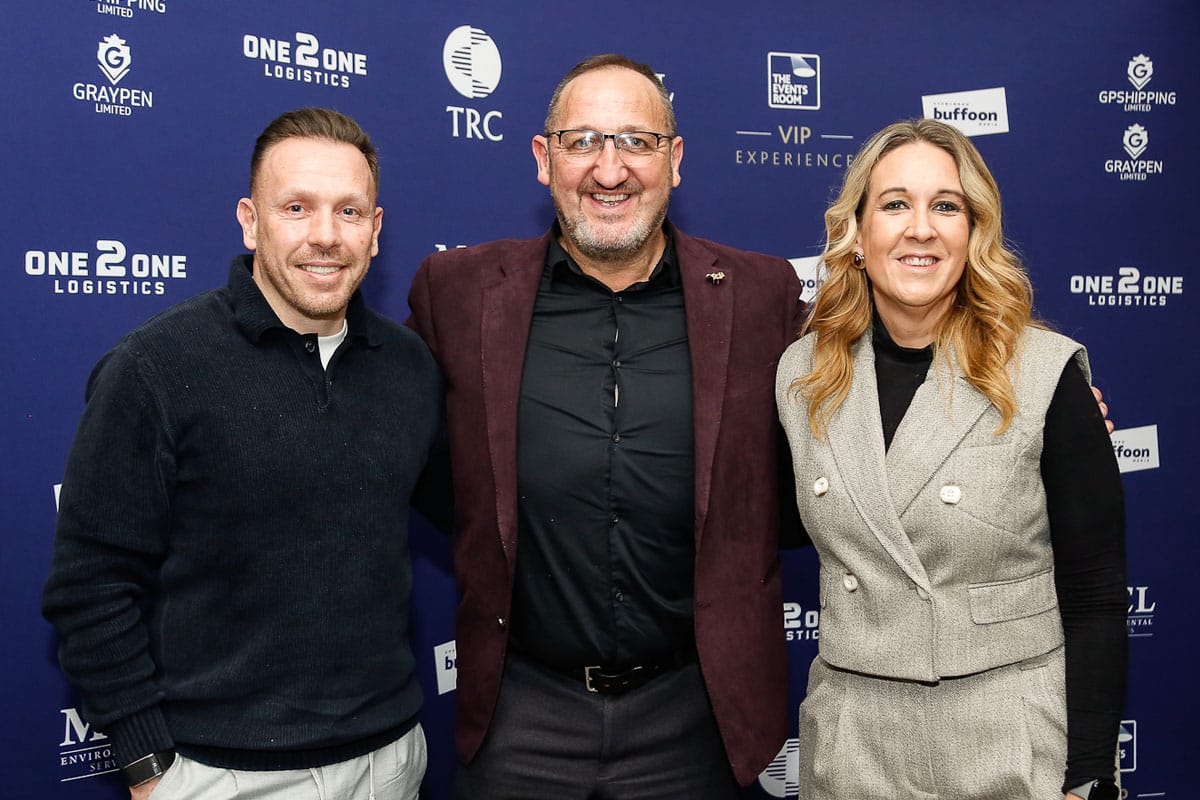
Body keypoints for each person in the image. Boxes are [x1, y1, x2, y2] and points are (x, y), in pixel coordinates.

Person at [407, 54, 804, 798]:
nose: (610, 170)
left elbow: (821, 460)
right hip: (521, 711)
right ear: (543, 158)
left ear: (674, 160)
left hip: (695, 714)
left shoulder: (762, 296)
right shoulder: (456, 294)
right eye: (583, 141)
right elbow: (413, 461)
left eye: (637, 142)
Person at [42, 108, 439, 800]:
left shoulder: (409, 366)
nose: (325, 235)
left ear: (375, 232)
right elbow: (90, 585)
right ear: (251, 222)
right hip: (224, 775)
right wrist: (147, 767)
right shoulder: (155, 367)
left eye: (349, 211)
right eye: (296, 207)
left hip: (391, 760)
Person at [775, 118, 1127, 800]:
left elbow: (1096, 598)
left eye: (945, 206)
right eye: (895, 204)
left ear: (974, 232)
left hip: (1010, 742)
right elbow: (774, 524)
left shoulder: (1043, 375)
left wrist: (1088, 775)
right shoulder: (801, 376)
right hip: (851, 749)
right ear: (857, 235)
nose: (921, 229)